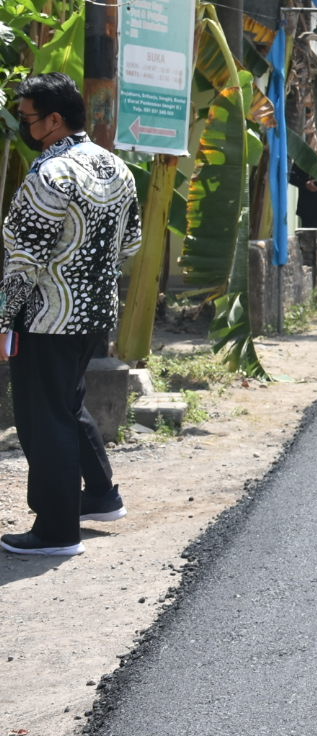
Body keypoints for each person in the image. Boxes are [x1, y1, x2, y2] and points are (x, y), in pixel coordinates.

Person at [1, 74, 142, 557]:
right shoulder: (116, 168)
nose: (24, 125)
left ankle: (57, 531)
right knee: (65, 405)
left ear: (54, 120)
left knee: (44, 421)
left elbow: (24, 259)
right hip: (96, 313)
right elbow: (132, 243)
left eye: (28, 117)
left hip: (45, 317)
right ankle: (101, 496)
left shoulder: (50, 174)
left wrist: (3, 319)